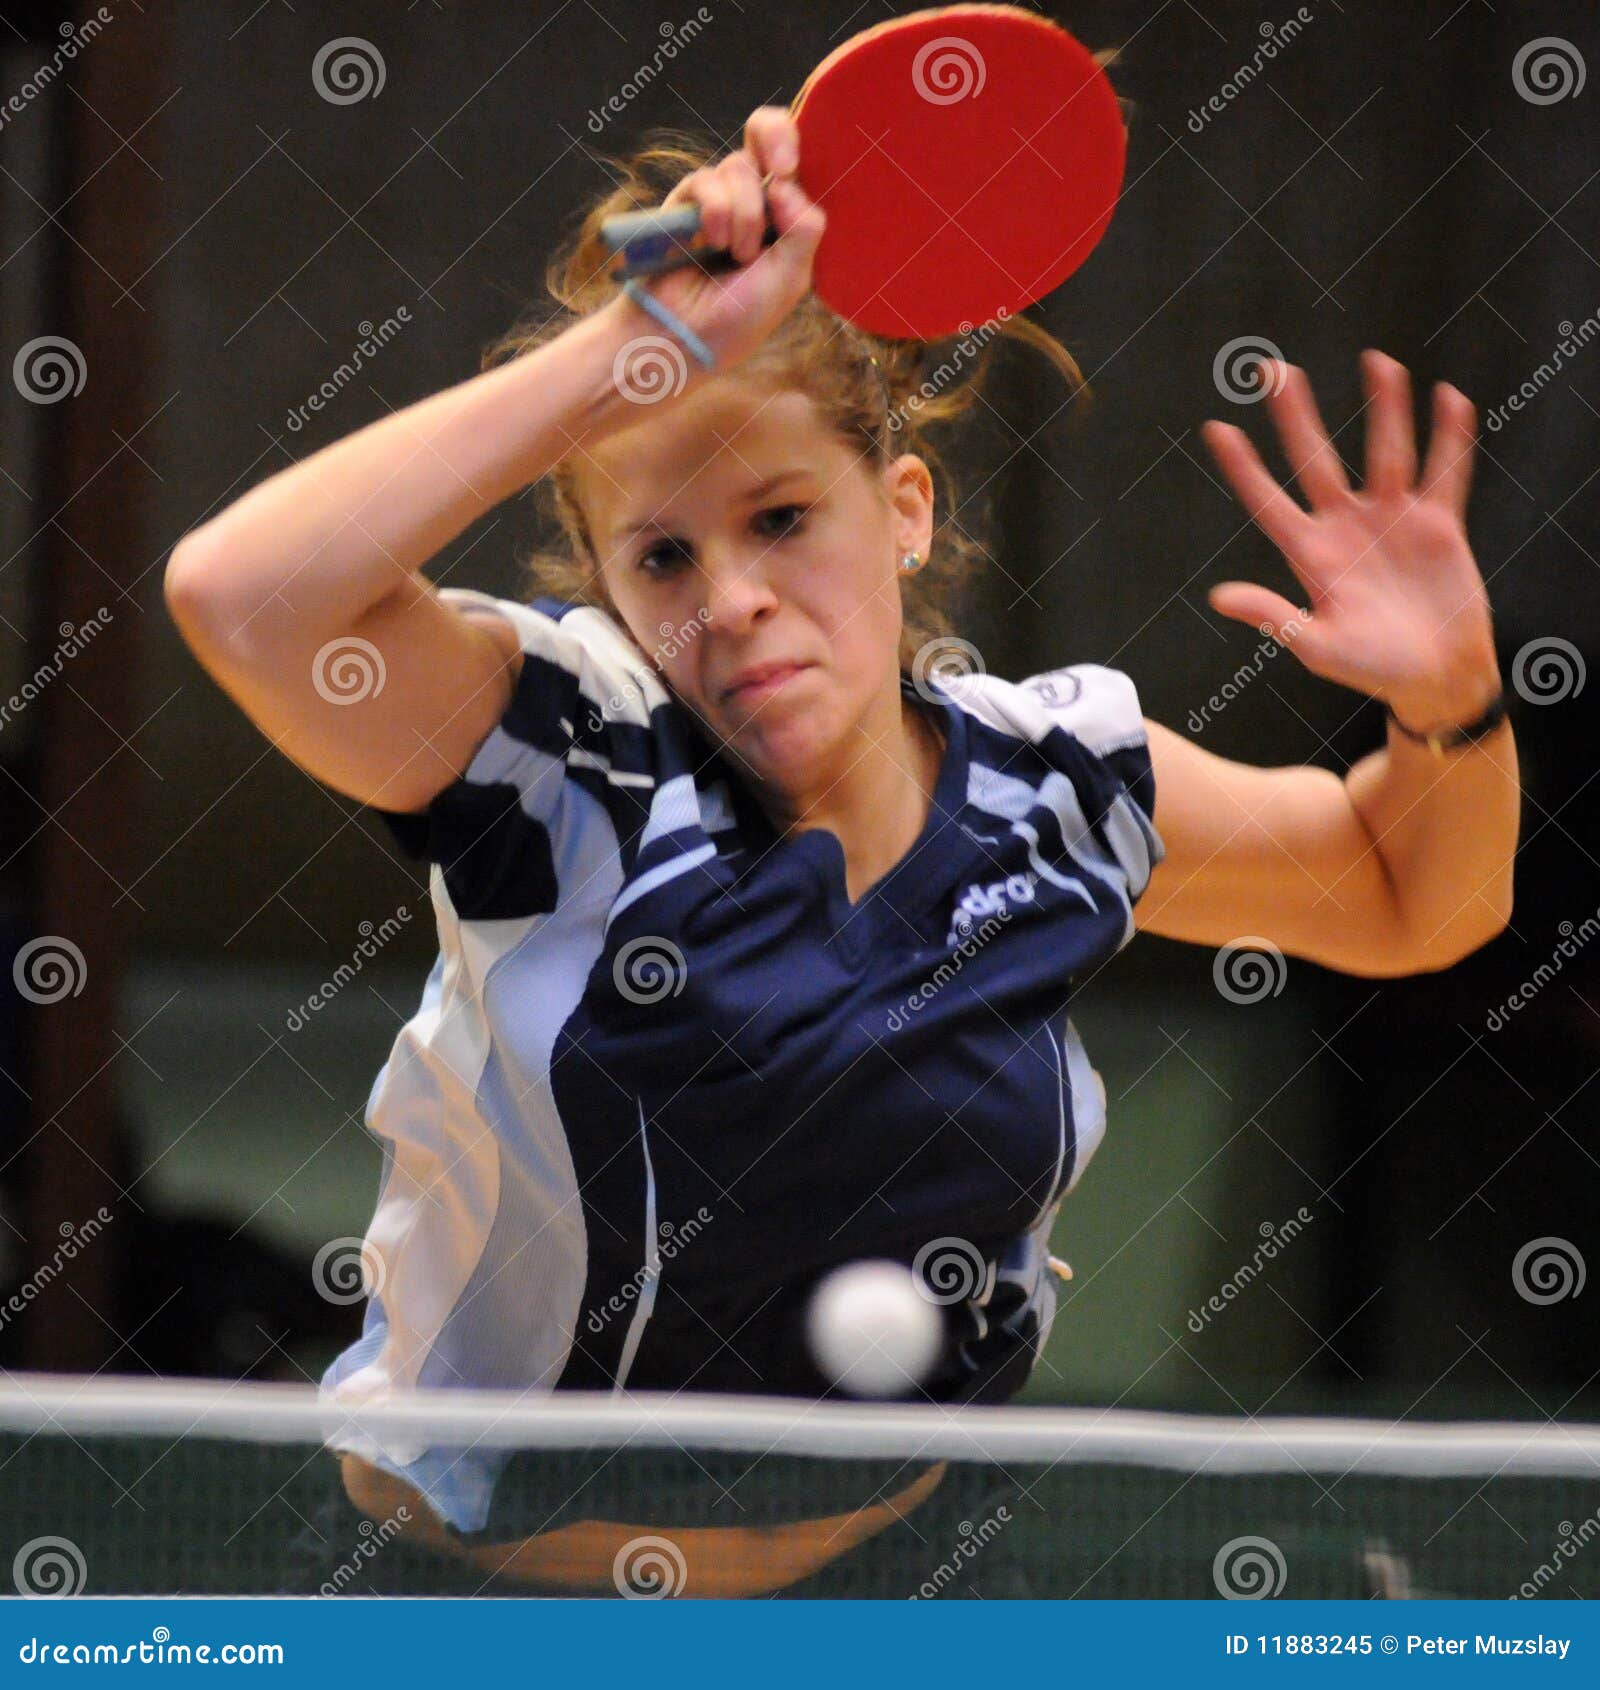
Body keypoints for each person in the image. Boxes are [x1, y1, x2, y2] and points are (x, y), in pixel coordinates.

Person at [164, 106, 1520, 1595]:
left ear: (907, 513)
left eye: (784, 515)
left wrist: (1448, 699)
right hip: (479, 1601)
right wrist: (628, 358)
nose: (734, 596)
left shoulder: (1055, 782)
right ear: (609, 586)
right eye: (663, 553)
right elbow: (243, 597)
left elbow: (1415, 901)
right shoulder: (569, 764)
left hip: (904, 1586)